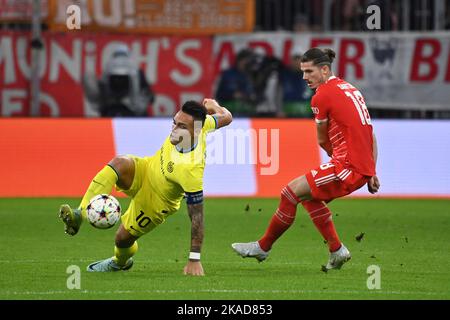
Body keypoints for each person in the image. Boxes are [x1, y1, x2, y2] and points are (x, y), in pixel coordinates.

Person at [231, 48, 380, 270]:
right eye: (302, 71)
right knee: (309, 198)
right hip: (359, 166)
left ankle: (263, 247)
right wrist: (371, 170)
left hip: (347, 166)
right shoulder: (351, 89)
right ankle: (337, 250)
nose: (304, 77)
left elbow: (321, 140)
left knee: (289, 192)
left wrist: (341, 160)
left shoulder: (322, 95)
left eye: (309, 71)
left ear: (324, 69)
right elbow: (371, 133)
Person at [59, 99, 232, 275]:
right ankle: (79, 214)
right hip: (147, 169)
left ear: (196, 130)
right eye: (174, 122)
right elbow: (227, 117)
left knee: (121, 240)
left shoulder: (190, 170)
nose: (174, 129)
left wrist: (194, 259)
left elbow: (197, 217)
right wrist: (213, 105)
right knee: (119, 163)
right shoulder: (203, 124)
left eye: (181, 127)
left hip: (157, 202)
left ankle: (119, 262)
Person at [83, 45, 154, 117]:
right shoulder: (136, 70)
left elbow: (102, 85)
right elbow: (148, 92)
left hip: (111, 106)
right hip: (130, 109)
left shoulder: (107, 68)